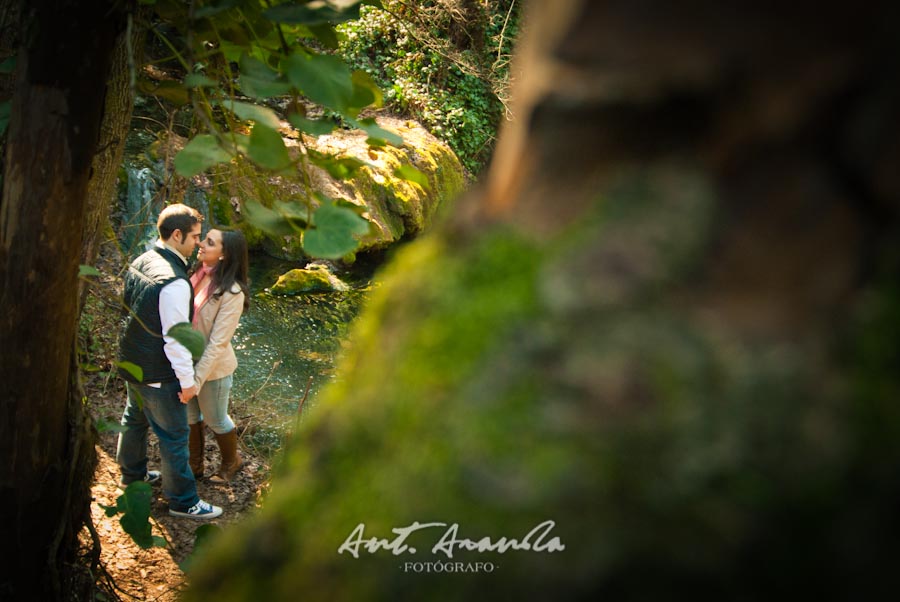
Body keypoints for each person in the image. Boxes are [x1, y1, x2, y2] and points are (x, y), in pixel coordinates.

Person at [116, 203, 223, 520]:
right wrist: (188, 383)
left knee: (133, 421)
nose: (198, 244)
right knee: (175, 438)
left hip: (132, 363)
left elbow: (127, 312)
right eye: (194, 237)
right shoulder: (175, 282)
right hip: (159, 374)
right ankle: (183, 501)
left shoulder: (142, 259)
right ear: (176, 235)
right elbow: (175, 341)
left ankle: (131, 476)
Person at [187, 228, 250, 483]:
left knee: (215, 419)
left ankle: (231, 462)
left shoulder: (232, 293)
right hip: (186, 361)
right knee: (190, 417)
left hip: (213, 369)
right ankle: (194, 465)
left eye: (209, 242)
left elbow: (217, 343)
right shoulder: (195, 274)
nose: (201, 244)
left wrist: (197, 380)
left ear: (224, 255)